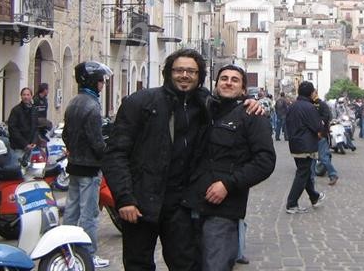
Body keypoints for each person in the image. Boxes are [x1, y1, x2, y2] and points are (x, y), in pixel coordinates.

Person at [102, 49, 261, 270]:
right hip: (140, 202)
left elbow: (230, 103)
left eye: (191, 71)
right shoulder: (140, 102)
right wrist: (124, 198)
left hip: (181, 206)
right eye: (179, 70)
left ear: (199, 76)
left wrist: (250, 102)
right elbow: (116, 153)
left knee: (186, 264)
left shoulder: (205, 104)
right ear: (169, 72)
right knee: (138, 265)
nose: (184, 75)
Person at [183, 64, 275, 270]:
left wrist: (228, 184)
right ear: (216, 84)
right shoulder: (204, 110)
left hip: (223, 210)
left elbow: (265, 161)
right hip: (191, 205)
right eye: (224, 78)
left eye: (235, 80)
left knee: (215, 265)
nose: (228, 83)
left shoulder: (252, 115)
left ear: (243, 89)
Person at [62, 61, 112, 269]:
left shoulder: (73, 102)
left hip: (74, 165)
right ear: (92, 81)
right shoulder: (92, 106)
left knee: (71, 212)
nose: (102, 84)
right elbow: (96, 141)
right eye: (100, 80)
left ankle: (66, 251)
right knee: (89, 214)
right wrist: (108, 156)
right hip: (90, 168)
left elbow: (65, 135)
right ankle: (88, 255)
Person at [285, 81, 325, 214]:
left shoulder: (292, 106)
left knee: (305, 172)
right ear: (310, 93)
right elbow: (317, 126)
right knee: (302, 173)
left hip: (295, 144)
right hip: (306, 145)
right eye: (313, 91)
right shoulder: (309, 107)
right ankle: (291, 203)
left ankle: (314, 197)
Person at [313, 90, 338, 186]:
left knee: (323, 157)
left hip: (320, 135)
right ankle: (310, 178)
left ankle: (333, 174)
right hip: (313, 135)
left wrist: (320, 131)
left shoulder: (322, 105)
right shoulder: (310, 104)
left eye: (312, 93)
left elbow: (326, 118)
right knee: (312, 157)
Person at [7, 87, 38, 164]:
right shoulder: (16, 110)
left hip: (30, 147)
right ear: (21, 96)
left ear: (31, 96)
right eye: (24, 95)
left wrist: (34, 141)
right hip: (18, 147)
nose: (26, 97)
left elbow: (36, 127)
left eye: (28, 95)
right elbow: (12, 129)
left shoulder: (34, 109)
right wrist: (25, 144)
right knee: (17, 166)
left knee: (28, 168)